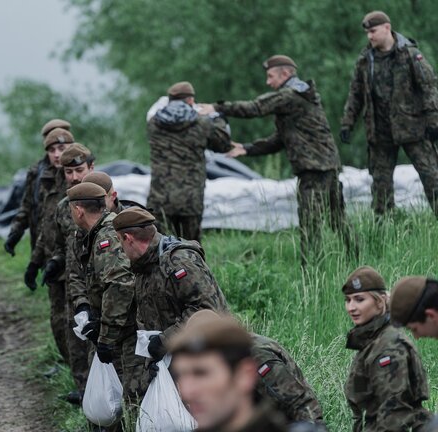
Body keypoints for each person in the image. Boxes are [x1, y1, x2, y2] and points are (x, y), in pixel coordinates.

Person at [209, 55, 356, 265]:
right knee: (337, 220)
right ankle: (356, 261)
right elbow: (279, 140)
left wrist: (218, 108)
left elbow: (256, 108)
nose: (268, 82)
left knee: (310, 224)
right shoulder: (301, 97)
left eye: (271, 76)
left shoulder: (290, 95)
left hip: (313, 169)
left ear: (285, 74)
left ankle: (312, 274)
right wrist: (247, 149)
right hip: (327, 166)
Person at [340, 11, 438, 218]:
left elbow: (428, 88)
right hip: (380, 131)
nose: (370, 36)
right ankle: (383, 232)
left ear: (387, 28)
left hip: (413, 128)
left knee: (432, 177)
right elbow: (355, 94)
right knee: (380, 186)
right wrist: (347, 123)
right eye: (367, 32)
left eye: (373, 31)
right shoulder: (365, 60)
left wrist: (433, 121)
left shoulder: (409, 54)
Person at [111, 207, 228, 363]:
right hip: (173, 357)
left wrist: (165, 341)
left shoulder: (178, 262)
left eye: (119, 241)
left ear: (128, 238)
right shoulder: (145, 264)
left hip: (205, 354)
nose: (121, 249)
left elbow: (206, 310)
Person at [67, 183, 146, 406]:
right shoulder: (95, 232)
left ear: (78, 210)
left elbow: (120, 284)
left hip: (127, 330)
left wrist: (106, 335)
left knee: (129, 399)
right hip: (116, 326)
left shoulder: (107, 237)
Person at [169, 310, 305, 432]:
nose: (187, 392)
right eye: (181, 375)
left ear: (244, 375)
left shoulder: (260, 353)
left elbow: (300, 400)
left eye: (201, 373)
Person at [342, 266, 431, 431]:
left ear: (379, 301)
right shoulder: (372, 342)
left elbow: (395, 415)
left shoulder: (388, 347)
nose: (351, 307)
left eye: (359, 299)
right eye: (348, 300)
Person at [147, 81, 232, 241]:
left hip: (159, 199)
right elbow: (223, 144)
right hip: (190, 200)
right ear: (191, 100)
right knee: (191, 248)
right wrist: (217, 116)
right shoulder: (202, 123)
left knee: (158, 249)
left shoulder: (153, 124)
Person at [45, 143, 97, 403]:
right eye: (69, 172)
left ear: (91, 167)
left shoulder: (106, 202)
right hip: (73, 285)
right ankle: (86, 395)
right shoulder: (64, 207)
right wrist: (54, 262)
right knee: (75, 340)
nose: (75, 177)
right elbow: (59, 246)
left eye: (79, 170)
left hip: (104, 285)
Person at [4, 127, 74, 291]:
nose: (57, 154)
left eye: (61, 148)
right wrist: (17, 232)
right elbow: (31, 207)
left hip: (73, 259)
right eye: (51, 148)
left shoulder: (79, 178)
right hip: (48, 246)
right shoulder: (41, 174)